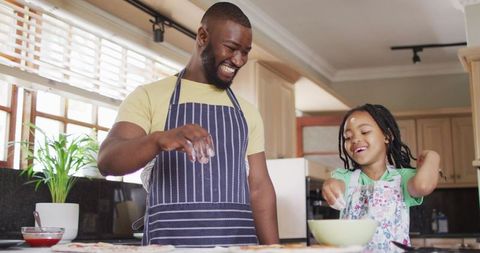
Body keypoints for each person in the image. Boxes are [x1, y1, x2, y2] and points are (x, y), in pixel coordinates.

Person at [97, 2, 279, 247]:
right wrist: (158, 139)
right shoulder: (149, 96)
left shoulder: (248, 112)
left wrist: (275, 250)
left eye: (245, 52)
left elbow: (259, 188)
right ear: (202, 36)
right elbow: (107, 161)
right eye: (231, 48)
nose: (238, 60)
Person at [322, 104, 440, 252]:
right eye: (348, 137)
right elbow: (334, 185)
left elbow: (423, 186)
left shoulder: (403, 178)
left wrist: (433, 157)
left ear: (387, 136)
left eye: (364, 132)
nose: (355, 140)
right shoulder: (345, 177)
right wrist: (330, 186)